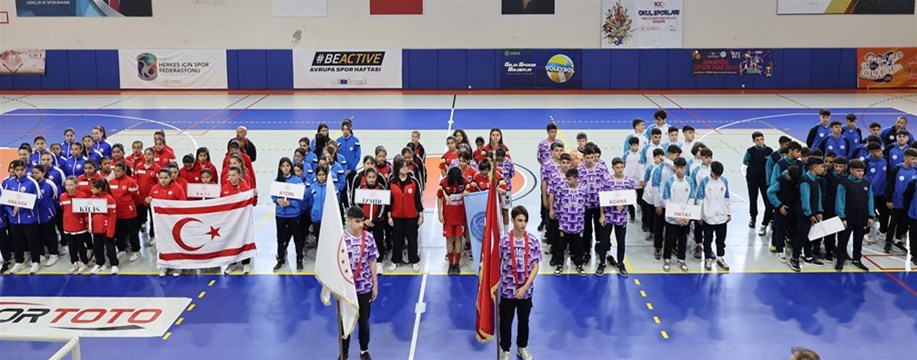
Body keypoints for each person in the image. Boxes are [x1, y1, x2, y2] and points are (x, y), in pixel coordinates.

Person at [498, 206, 539, 360]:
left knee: (524, 321)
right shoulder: (504, 241)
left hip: (526, 291)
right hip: (508, 290)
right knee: (506, 322)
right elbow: (497, 263)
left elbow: (536, 266)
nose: (523, 224)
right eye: (520, 220)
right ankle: (506, 350)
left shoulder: (533, 240)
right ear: (513, 220)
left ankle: (521, 347)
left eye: (525, 221)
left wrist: (525, 288)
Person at [339, 206, 380, 360]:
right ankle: (344, 352)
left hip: (364, 287)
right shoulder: (341, 238)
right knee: (345, 322)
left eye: (362, 221)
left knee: (364, 321)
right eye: (357, 221)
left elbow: (372, 261)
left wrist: (375, 284)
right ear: (349, 221)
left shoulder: (368, 237)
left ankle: (364, 350)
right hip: (347, 288)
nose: (361, 225)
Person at [790, 157, 827, 272]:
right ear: (814, 167)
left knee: (809, 236)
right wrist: (809, 213)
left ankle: (808, 256)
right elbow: (805, 199)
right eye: (821, 166)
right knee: (802, 236)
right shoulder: (805, 180)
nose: (823, 168)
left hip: (813, 213)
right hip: (804, 214)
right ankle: (794, 258)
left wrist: (820, 211)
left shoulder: (816, 179)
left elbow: (819, 196)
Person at [835, 159, 874, 272]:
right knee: (843, 240)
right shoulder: (844, 183)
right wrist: (842, 217)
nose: (861, 173)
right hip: (848, 218)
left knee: (859, 240)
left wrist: (871, 215)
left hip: (862, 218)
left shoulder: (867, 183)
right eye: (858, 171)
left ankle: (857, 259)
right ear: (851, 170)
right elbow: (840, 201)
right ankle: (840, 260)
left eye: (862, 171)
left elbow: (870, 200)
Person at [269, 157, 306, 271]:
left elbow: (301, 197)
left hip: (293, 214)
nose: (285, 168)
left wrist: (291, 202)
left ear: (291, 167)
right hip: (280, 214)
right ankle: (281, 259)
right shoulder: (277, 181)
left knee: (297, 239)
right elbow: (273, 196)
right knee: (280, 238)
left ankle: (299, 260)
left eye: (287, 165)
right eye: (283, 166)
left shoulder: (297, 181)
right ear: (280, 168)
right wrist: (277, 200)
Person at [148, 168, 187, 277]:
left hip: (174, 222)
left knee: (175, 243)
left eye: (165, 178)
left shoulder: (177, 188)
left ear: (171, 177)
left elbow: (183, 205)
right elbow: (150, 204)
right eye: (161, 178)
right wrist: (148, 201)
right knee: (162, 243)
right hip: (160, 223)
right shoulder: (154, 188)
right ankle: (164, 265)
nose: (163, 180)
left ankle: (178, 266)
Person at [388, 156, 424, 272]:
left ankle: (414, 260)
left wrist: (421, 215)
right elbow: (389, 202)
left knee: (412, 239)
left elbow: (418, 200)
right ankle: (395, 260)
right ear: (397, 168)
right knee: (397, 239)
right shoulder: (392, 183)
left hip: (411, 217)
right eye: (402, 166)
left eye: (406, 166)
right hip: (396, 217)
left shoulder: (413, 182)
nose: (405, 168)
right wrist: (389, 216)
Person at [598, 158, 633, 277]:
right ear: (613, 168)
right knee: (604, 241)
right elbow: (602, 198)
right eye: (617, 167)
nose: (620, 170)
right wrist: (602, 214)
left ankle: (621, 263)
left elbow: (631, 197)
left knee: (621, 241)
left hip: (621, 217)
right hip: (608, 216)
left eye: (621, 167)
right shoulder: (607, 180)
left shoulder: (628, 181)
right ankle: (602, 262)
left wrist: (623, 204)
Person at [661, 157, 695, 272]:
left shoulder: (689, 181)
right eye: (677, 168)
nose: (680, 170)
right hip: (672, 218)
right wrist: (674, 216)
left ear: (685, 168)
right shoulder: (669, 181)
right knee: (669, 239)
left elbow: (691, 198)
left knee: (683, 239)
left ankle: (681, 259)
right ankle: (667, 259)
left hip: (685, 218)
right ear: (674, 167)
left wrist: (686, 216)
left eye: (682, 168)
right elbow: (666, 199)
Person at [550, 168, 586, 276]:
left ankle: (579, 264)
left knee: (578, 246)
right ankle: (559, 264)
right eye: (566, 179)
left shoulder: (583, 190)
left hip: (578, 225)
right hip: (564, 224)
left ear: (576, 178)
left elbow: (586, 204)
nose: (567, 181)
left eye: (569, 179)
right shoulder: (562, 189)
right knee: (561, 246)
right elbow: (557, 204)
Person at [696, 161, 731, 271]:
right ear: (711, 171)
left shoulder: (724, 181)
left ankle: (720, 257)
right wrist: (700, 215)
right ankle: (707, 258)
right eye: (716, 174)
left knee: (721, 239)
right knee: (708, 239)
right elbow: (700, 199)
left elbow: (727, 198)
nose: (717, 177)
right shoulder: (705, 182)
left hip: (721, 216)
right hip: (708, 216)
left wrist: (728, 213)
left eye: (719, 175)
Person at [221, 166, 255, 274]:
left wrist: (254, 195)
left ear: (240, 175)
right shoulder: (225, 188)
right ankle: (232, 264)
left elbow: (252, 203)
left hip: (243, 221)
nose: (231, 178)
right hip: (230, 221)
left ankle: (246, 263)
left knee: (244, 239)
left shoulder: (245, 188)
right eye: (229, 175)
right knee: (231, 241)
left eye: (233, 175)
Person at [651, 145, 681, 260]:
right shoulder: (659, 169)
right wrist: (657, 204)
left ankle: (672, 246)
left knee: (673, 228)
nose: (678, 157)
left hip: (673, 204)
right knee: (659, 226)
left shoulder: (676, 168)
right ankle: (658, 246)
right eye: (676, 155)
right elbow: (655, 187)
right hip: (662, 203)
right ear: (670, 154)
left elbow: (676, 166)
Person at [884, 148, 917, 253]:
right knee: (893, 223)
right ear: (905, 158)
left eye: (916, 159)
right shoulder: (897, 170)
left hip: (908, 205)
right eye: (912, 159)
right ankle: (888, 241)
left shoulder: (915, 171)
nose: (915, 161)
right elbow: (889, 185)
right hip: (896, 202)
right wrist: (889, 199)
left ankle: (898, 240)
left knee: (903, 223)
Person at [438, 167, 469, 275]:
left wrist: (467, 190)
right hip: (448, 218)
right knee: (449, 239)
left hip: (460, 217)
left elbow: (471, 191)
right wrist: (440, 213)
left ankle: (457, 264)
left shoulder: (464, 181)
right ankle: (451, 264)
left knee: (458, 238)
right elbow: (439, 197)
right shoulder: (443, 183)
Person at [109, 163, 142, 262]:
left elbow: (136, 198)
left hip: (129, 212)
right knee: (119, 232)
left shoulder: (131, 182)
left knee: (132, 232)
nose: (116, 173)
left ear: (124, 171)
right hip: (117, 213)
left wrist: (130, 206)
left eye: (118, 171)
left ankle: (136, 250)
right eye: (114, 171)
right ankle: (121, 249)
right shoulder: (110, 182)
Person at [32, 164, 60, 271]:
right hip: (35, 216)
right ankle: (42, 253)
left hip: (47, 215)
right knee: (38, 235)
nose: (34, 175)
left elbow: (55, 198)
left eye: (37, 173)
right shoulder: (32, 184)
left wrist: (50, 211)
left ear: (43, 173)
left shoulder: (50, 184)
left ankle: (54, 254)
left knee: (50, 234)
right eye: (33, 173)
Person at [744, 131, 775, 233]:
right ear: (753, 141)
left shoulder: (769, 151)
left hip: (765, 180)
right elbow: (745, 161)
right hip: (752, 179)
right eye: (757, 140)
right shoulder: (750, 151)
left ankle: (769, 218)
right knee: (753, 200)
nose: (760, 142)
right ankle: (753, 218)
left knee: (767, 200)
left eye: (761, 139)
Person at [60, 176, 90, 273]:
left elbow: (86, 211)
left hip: (79, 226)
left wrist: (87, 223)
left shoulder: (82, 196)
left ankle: (84, 262)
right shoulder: (62, 196)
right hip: (67, 226)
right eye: (66, 185)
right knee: (71, 246)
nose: (68, 187)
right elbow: (63, 208)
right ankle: (75, 262)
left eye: (71, 185)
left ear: (76, 185)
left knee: (80, 246)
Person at [88, 179, 118, 275]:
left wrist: (110, 231)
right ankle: (99, 263)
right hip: (96, 229)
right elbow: (90, 214)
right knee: (97, 248)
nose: (91, 190)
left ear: (99, 189)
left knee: (110, 248)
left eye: (93, 188)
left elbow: (112, 217)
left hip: (106, 229)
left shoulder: (109, 199)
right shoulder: (92, 198)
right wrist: (90, 226)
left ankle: (114, 264)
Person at [358, 168, 388, 263]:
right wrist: (364, 219)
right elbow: (357, 206)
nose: (371, 179)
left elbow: (383, 206)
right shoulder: (361, 189)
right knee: (364, 241)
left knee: (378, 241)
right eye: (369, 177)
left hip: (377, 222)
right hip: (364, 221)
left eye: (373, 177)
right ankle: (364, 259)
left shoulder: (381, 188)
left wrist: (375, 220)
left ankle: (379, 261)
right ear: (365, 177)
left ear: (376, 177)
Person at [134, 148, 161, 245]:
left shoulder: (157, 168)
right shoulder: (138, 167)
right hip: (140, 197)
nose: (147, 156)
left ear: (153, 156)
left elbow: (159, 184)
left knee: (153, 218)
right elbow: (135, 181)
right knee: (139, 218)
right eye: (145, 154)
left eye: (149, 154)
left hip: (151, 198)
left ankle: (153, 236)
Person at [864, 142, 889, 244]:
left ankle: (883, 231)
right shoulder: (867, 161)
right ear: (871, 152)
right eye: (876, 151)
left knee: (884, 213)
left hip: (883, 193)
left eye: (879, 150)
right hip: (870, 194)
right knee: (869, 213)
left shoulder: (886, 159)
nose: (879, 153)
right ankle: (867, 232)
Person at [642, 149, 665, 238]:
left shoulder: (664, 168)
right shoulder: (651, 167)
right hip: (650, 195)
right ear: (654, 158)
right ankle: (650, 230)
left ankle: (658, 232)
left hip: (660, 196)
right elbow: (646, 179)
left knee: (659, 217)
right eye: (657, 157)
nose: (659, 159)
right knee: (650, 214)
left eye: (661, 157)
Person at [623, 137, 644, 223]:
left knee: (640, 200)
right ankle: (632, 216)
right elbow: (623, 165)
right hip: (629, 181)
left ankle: (643, 217)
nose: (633, 147)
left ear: (638, 145)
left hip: (640, 181)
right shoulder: (626, 155)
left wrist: (643, 179)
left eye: (635, 145)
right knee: (630, 199)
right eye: (631, 145)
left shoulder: (642, 155)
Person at [495, 149, 516, 228]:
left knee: (505, 210)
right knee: (496, 211)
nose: (500, 161)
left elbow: (512, 174)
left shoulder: (509, 162)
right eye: (498, 159)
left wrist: (505, 182)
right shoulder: (494, 163)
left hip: (506, 190)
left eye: (501, 159)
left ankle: (506, 231)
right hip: (496, 190)